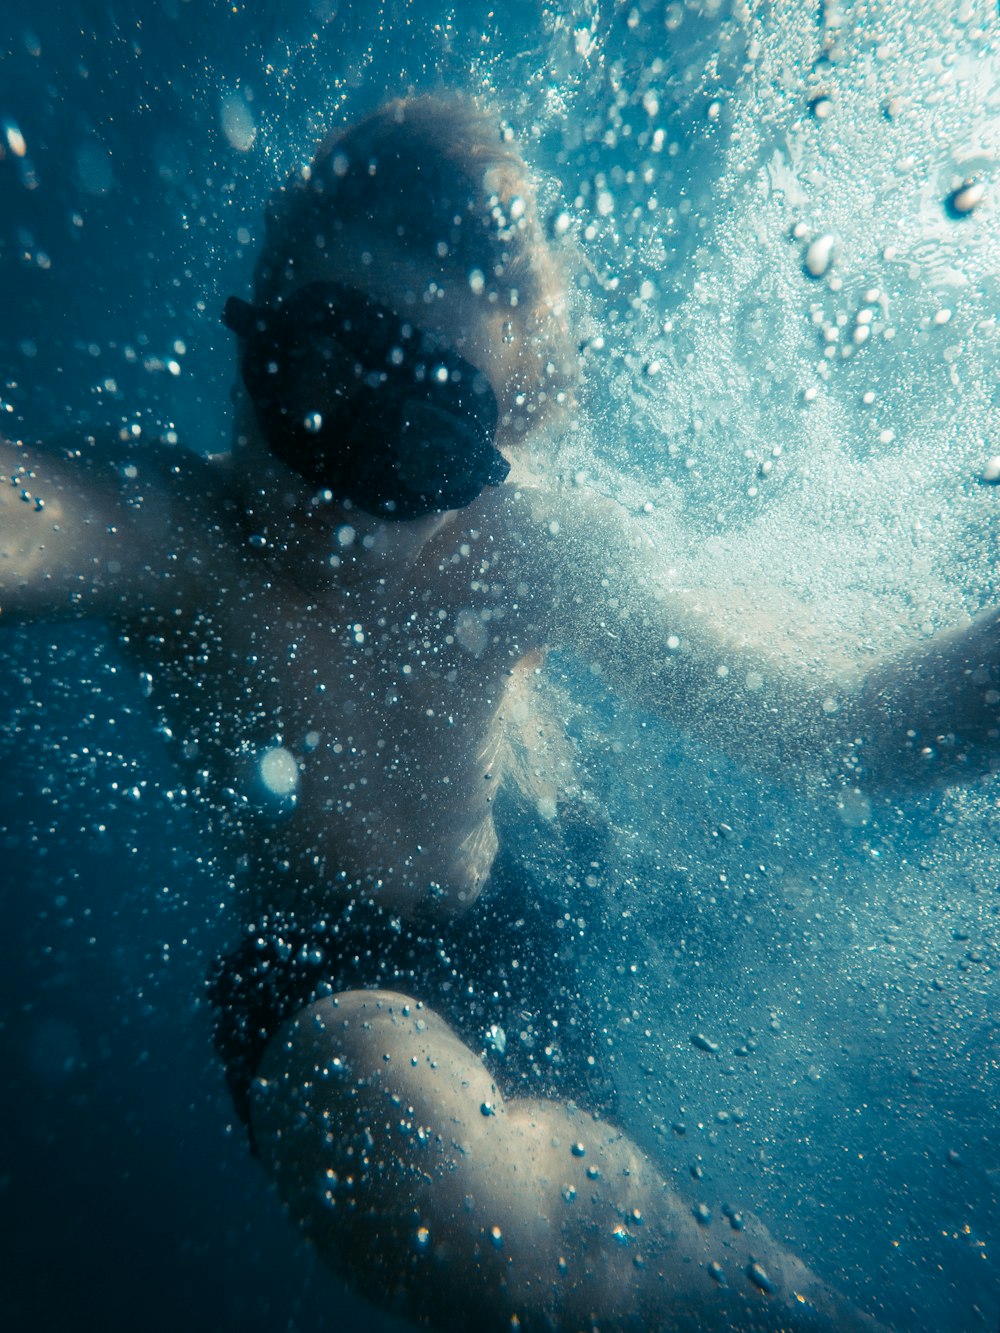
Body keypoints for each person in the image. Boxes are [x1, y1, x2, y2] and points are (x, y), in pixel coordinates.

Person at [2, 94, 996, 1332]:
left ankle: (732, 1276)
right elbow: (28, 511)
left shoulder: (525, 555)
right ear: (255, 324)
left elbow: (838, 725)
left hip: (511, 946)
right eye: (311, 380)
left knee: (622, 1271)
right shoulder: (179, 528)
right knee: (461, 1219)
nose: (338, 491)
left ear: (501, 442)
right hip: (320, 975)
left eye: (414, 441)